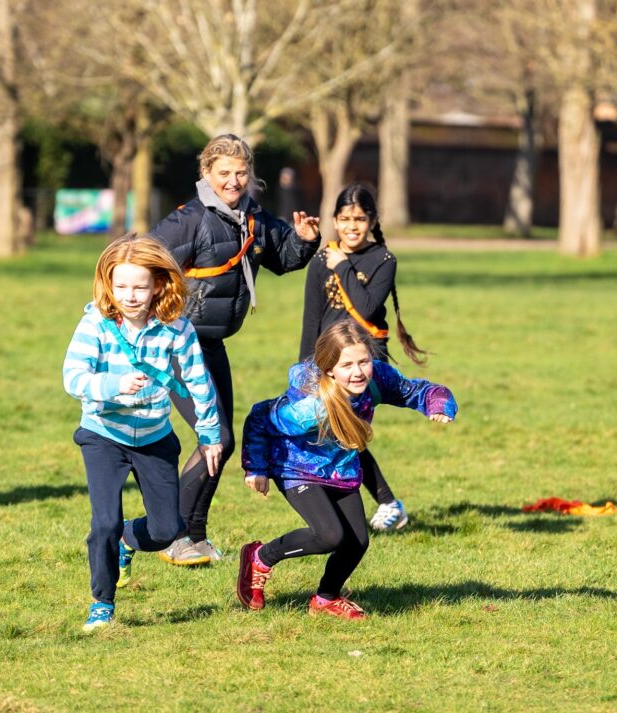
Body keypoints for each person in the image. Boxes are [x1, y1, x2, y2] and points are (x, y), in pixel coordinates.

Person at [151, 134, 320, 565]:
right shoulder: (187, 221)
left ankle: (193, 537)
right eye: (224, 173)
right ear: (206, 173)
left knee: (221, 442)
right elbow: (144, 263)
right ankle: (172, 537)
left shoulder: (253, 217)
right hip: (177, 345)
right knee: (217, 437)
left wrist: (303, 239)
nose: (233, 180)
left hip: (210, 343)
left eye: (240, 172)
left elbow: (283, 257)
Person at [237, 321, 456, 618]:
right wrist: (256, 467)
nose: (358, 372)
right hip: (296, 466)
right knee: (329, 535)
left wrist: (438, 404)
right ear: (329, 369)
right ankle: (259, 557)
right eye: (347, 365)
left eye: (364, 361)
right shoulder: (310, 404)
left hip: (341, 469)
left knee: (357, 541)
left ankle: (326, 598)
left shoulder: (376, 380)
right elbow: (261, 417)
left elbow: (414, 391)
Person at [63, 235, 222, 630]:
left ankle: (127, 540)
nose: (130, 296)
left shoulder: (176, 328)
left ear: (158, 286)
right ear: (108, 285)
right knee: (104, 522)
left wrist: (210, 434)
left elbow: (199, 381)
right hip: (103, 434)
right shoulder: (95, 324)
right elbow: (73, 377)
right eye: (121, 286)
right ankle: (103, 602)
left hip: (155, 438)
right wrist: (114, 383)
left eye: (139, 287)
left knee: (168, 530)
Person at [298, 184, 427, 532]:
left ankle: (384, 503)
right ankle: (375, 504)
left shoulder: (383, 260)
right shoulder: (322, 259)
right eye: (344, 219)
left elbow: (368, 308)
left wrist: (342, 268)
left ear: (371, 220)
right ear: (334, 220)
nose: (351, 226)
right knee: (332, 433)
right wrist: (303, 371)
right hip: (327, 363)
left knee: (345, 432)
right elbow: (312, 319)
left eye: (359, 219)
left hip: (364, 364)